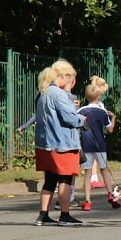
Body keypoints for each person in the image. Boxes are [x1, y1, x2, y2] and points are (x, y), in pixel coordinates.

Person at [33, 60, 86, 226]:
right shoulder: (59, 94)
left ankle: (43, 215)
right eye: (69, 78)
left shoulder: (42, 92)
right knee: (65, 179)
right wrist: (81, 119)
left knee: (50, 180)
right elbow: (69, 118)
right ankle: (64, 215)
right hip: (63, 143)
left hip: (44, 143)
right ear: (63, 76)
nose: (70, 82)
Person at [77, 77, 117, 211]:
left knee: (87, 173)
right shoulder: (102, 112)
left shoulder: (81, 111)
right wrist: (113, 118)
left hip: (86, 145)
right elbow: (110, 129)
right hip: (100, 145)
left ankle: (87, 201)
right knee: (104, 170)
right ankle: (111, 194)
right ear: (99, 97)